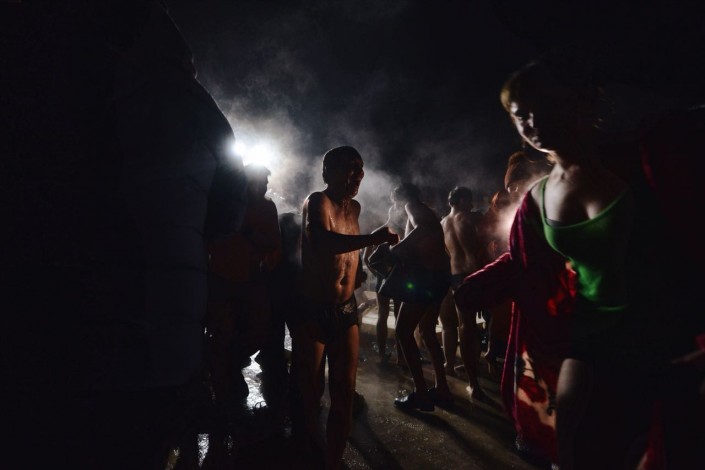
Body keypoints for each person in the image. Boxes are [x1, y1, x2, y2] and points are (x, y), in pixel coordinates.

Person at [456, 55, 698, 469]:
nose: (531, 122)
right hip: (588, 343)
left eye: (542, 106)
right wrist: (475, 287)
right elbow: (524, 262)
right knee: (574, 452)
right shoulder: (537, 197)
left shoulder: (650, 157)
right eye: (520, 115)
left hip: (665, 340)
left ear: (581, 100)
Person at [297, 146, 399, 470]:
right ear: (327, 172)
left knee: (344, 393)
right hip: (314, 309)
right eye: (349, 168)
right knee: (310, 393)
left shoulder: (354, 207)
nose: (358, 175)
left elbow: (349, 254)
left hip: (345, 310)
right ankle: (308, 449)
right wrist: (372, 239)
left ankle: (332, 462)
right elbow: (323, 242)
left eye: (360, 168)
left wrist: (367, 265)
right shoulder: (317, 201)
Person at [206, 163, 280, 419]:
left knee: (256, 333)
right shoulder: (227, 206)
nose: (264, 187)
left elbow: (273, 244)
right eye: (259, 182)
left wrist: (250, 234)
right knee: (222, 336)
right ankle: (224, 400)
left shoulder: (267, 207)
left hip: (252, 281)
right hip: (222, 280)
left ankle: (230, 372)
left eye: (266, 182)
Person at [389, 183, 452, 411]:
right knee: (427, 331)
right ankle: (442, 389)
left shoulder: (412, 206)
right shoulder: (426, 210)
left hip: (426, 278)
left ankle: (421, 395)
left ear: (400, 198)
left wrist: (398, 248)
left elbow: (423, 228)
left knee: (403, 331)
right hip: (440, 277)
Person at [439, 186, 487, 399]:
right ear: (458, 201)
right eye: (469, 200)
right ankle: (474, 384)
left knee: (450, 325)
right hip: (469, 275)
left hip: (450, 276)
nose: (472, 204)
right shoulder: (470, 219)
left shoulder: (442, 223)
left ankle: (449, 365)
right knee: (469, 327)